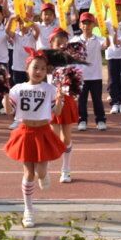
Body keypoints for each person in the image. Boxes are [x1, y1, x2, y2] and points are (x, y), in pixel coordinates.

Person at [2, 49, 66, 228]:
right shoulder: (18, 88)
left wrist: (60, 100)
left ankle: (44, 175)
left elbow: (57, 112)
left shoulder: (50, 89)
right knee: (29, 172)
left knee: (41, 171)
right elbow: (9, 111)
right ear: (27, 69)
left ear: (47, 72)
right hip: (25, 131)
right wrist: (6, 97)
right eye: (35, 67)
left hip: (43, 132)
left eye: (43, 69)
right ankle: (28, 209)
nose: (39, 71)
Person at [47, 27, 78, 183]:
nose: (61, 46)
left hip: (66, 101)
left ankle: (66, 169)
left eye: (64, 43)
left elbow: (78, 81)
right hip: (51, 101)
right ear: (51, 43)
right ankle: (44, 168)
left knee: (65, 138)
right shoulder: (45, 61)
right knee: (53, 138)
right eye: (58, 43)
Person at [74, 12, 107, 131]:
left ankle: (101, 120)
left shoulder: (98, 39)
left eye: (89, 23)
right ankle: (82, 120)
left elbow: (106, 45)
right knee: (81, 100)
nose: (86, 26)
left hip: (95, 75)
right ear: (80, 25)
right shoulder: (75, 40)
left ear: (93, 25)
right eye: (84, 23)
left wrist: (104, 30)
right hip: (81, 76)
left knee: (97, 99)